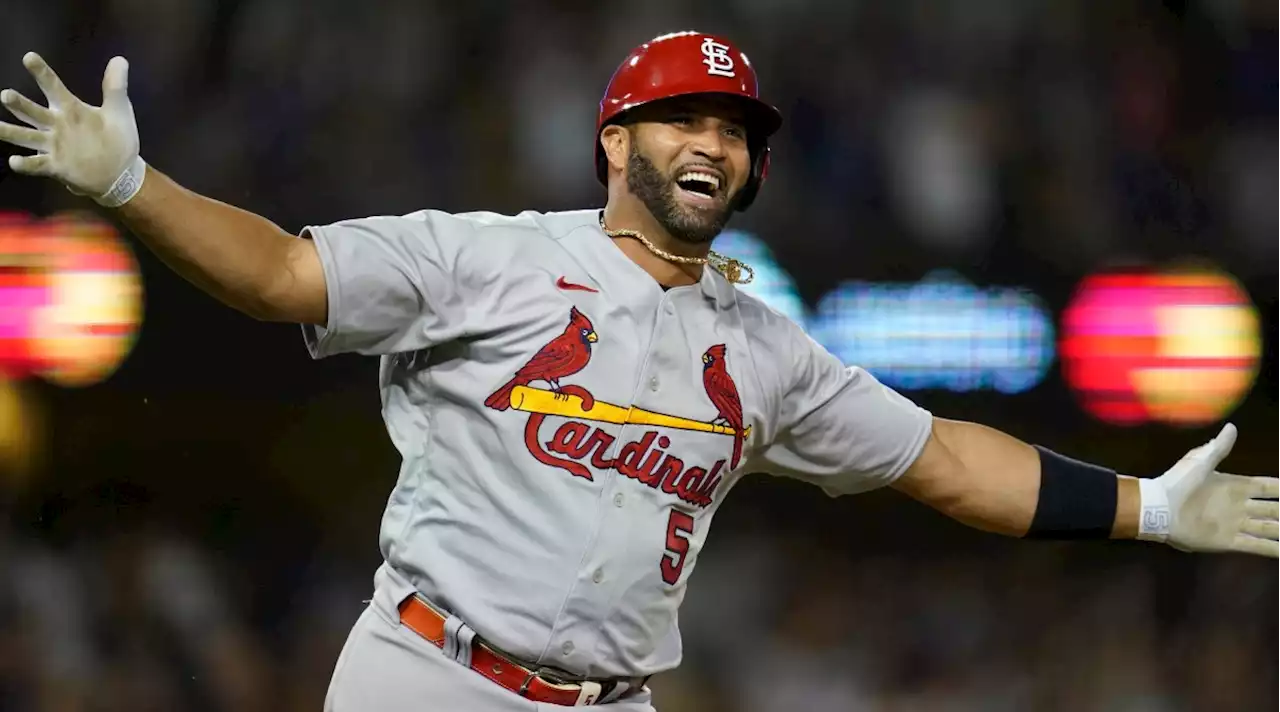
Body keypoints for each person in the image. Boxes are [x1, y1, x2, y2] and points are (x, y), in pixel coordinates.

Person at [1, 30, 1277, 712]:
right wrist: (130, 184)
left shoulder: (763, 348)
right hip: (428, 679)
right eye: (682, 119)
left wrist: (1148, 507)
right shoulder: (485, 261)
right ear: (616, 139)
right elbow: (279, 274)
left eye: (732, 128)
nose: (710, 143)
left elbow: (943, 459)